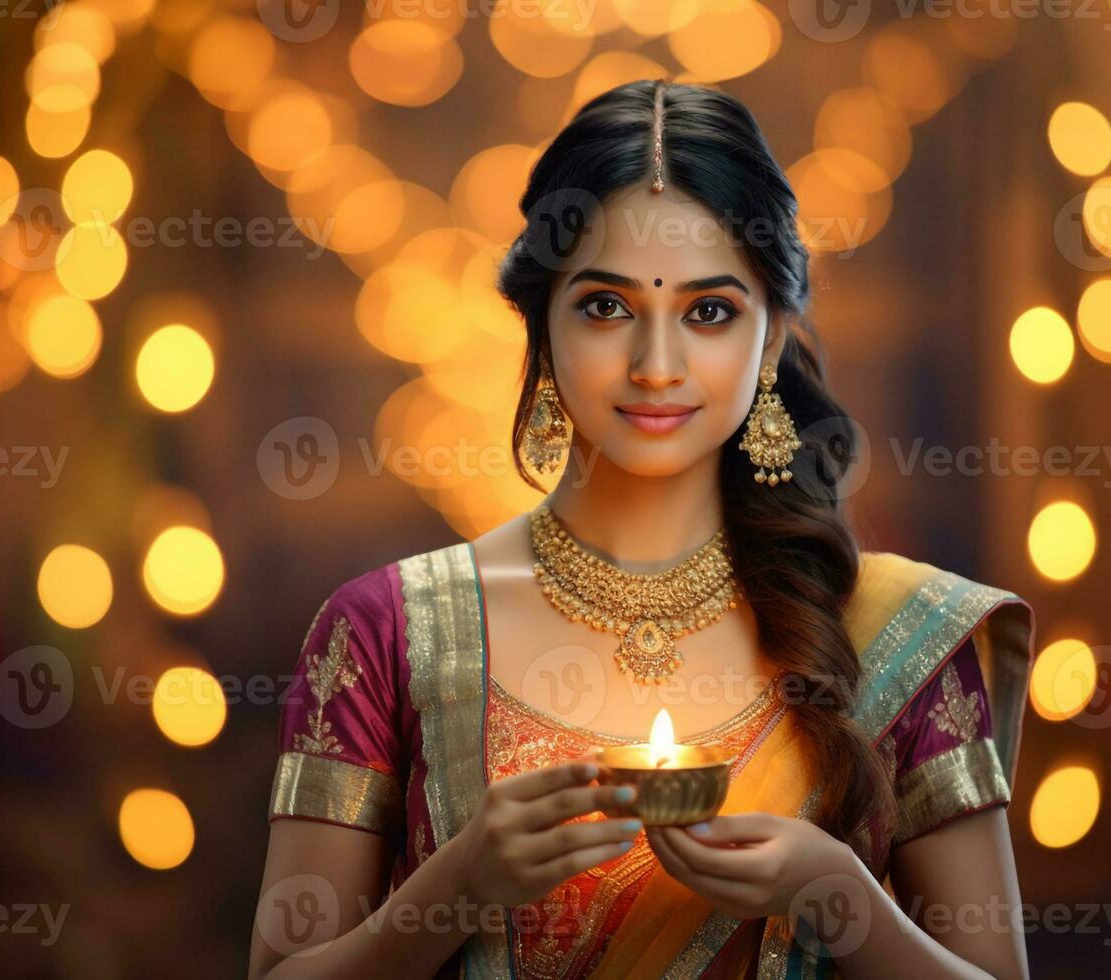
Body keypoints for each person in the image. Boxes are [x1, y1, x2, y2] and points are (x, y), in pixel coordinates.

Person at [249, 78, 1035, 980]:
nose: (656, 366)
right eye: (606, 306)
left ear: (771, 340)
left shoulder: (890, 633)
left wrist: (847, 904)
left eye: (708, 312)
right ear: (541, 328)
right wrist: (455, 888)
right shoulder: (387, 634)